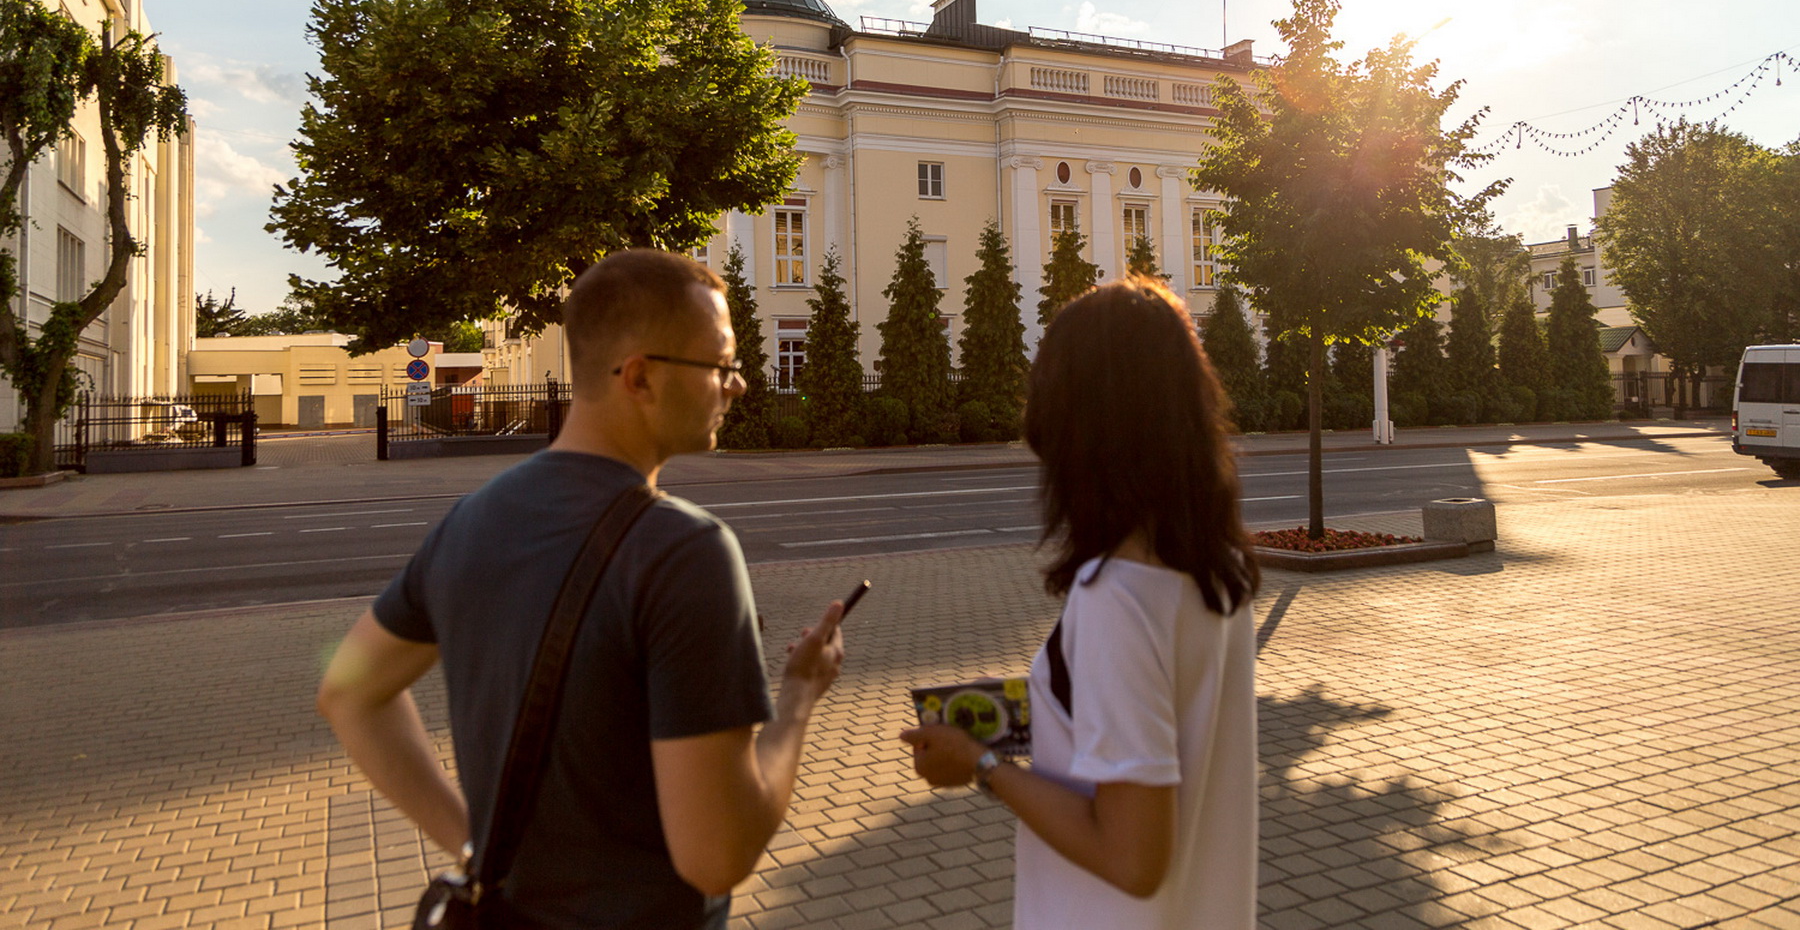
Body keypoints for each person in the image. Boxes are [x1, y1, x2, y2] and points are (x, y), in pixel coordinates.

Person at [317, 249, 845, 929]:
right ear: (640, 377)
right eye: (720, 365)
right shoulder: (686, 552)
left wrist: (476, 849)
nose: (737, 385)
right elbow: (715, 856)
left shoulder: (471, 520)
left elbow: (348, 692)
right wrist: (799, 696)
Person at [901, 277, 1260, 929]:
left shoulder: (1116, 599)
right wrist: (1047, 707)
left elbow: (1133, 859)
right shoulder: (1216, 569)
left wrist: (982, 765)